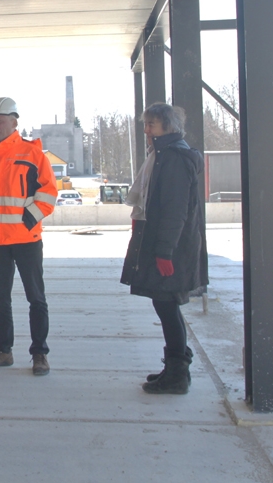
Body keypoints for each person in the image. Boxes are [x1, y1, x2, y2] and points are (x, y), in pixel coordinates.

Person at [120, 103, 208, 394]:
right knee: (166, 305)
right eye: (145, 124)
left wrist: (165, 252)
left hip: (173, 247)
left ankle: (177, 374)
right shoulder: (162, 154)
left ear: (168, 127)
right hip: (165, 242)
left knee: (167, 306)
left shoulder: (174, 159)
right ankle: (175, 368)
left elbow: (175, 210)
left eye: (152, 125)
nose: (146, 130)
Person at [0, 97, 58, 376]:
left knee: (36, 299)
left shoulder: (33, 154)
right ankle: (2, 350)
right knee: (0, 300)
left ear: (14, 122)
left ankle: (40, 354)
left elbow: (48, 193)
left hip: (26, 239)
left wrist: (28, 219)